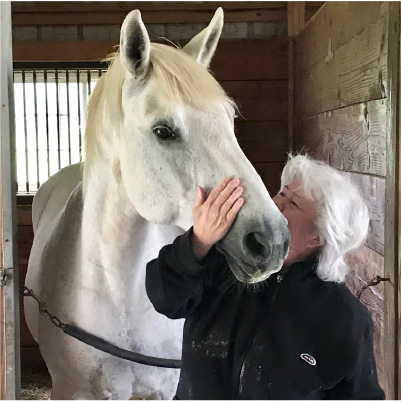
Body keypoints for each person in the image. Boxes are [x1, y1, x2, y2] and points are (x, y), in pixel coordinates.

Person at [145, 154, 385, 400]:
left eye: (293, 204)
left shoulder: (343, 316)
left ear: (319, 237)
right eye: (282, 194)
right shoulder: (225, 262)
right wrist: (198, 241)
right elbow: (165, 298)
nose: (276, 204)